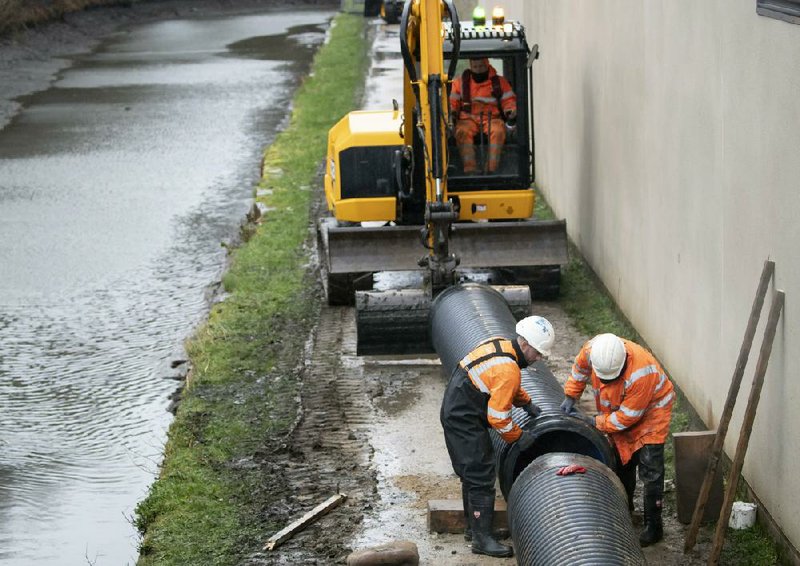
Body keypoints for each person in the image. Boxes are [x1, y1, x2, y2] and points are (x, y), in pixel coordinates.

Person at [440, 315, 555, 558]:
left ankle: (475, 528)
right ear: (525, 345)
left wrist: (527, 403)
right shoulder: (509, 369)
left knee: (472, 472)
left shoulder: (502, 344)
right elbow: (498, 418)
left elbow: (501, 382)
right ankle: (482, 539)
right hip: (464, 418)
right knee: (480, 472)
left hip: (459, 406)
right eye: (538, 353)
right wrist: (518, 437)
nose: (539, 359)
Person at [560, 333, 675, 546]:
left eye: (608, 379)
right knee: (623, 461)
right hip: (619, 411)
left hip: (651, 413)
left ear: (622, 366)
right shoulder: (592, 351)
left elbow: (627, 418)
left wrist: (594, 422)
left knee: (651, 470)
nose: (604, 382)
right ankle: (625, 509)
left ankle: (654, 525)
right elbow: (580, 369)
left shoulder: (641, 372)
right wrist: (571, 395)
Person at [449, 57, 517, 173]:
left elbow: (508, 100)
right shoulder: (459, 83)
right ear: (471, 67)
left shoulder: (500, 82)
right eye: (475, 67)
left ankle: (491, 169)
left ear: (487, 65)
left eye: (481, 66)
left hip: (492, 118)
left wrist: (510, 110)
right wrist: (452, 113)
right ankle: (470, 170)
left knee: (498, 131)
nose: (478, 70)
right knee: (462, 131)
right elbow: (452, 102)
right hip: (468, 119)